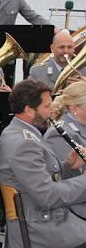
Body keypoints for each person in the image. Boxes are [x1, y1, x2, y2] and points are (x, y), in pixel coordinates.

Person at [0, 79, 86, 248]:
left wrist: (68, 165)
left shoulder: (23, 133)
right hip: (41, 228)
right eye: (46, 107)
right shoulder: (23, 143)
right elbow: (48, 197)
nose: (52, 111)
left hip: (48, 219)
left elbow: (47, 178)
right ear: (29, 110)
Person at [44, 81, 86, 219]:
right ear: (74, 107)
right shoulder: (60, 133)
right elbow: (66, 177)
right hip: (74, 205)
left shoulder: (80, 126)